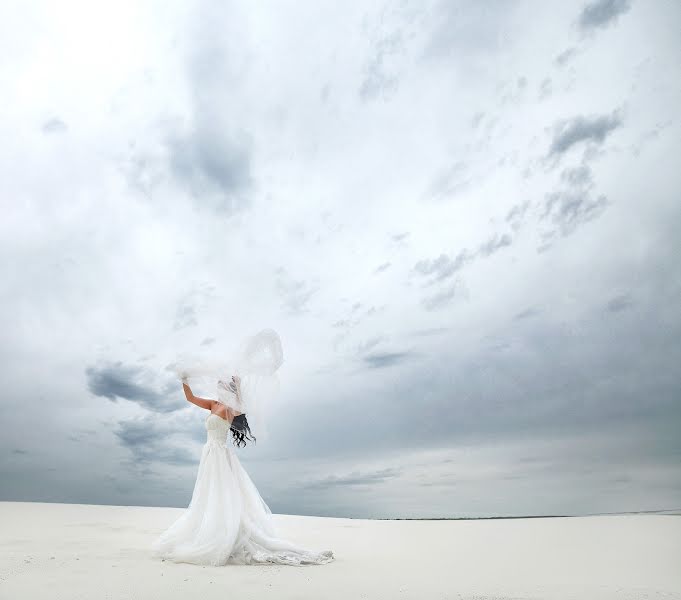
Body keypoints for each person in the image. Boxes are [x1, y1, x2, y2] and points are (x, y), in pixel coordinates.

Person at [150, 374, 335, 566]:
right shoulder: (212, 404)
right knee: (209, 493)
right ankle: (211, 529)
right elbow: (191, 398)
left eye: (221, 386)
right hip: (209, 454)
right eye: (218, 385)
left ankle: (226, 533)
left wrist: (238, 387)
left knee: (222, 493)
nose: (218, 388)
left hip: (220, 455)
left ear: (227, 391)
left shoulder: (231, 409)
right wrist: (184, 380)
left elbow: (241, 409)